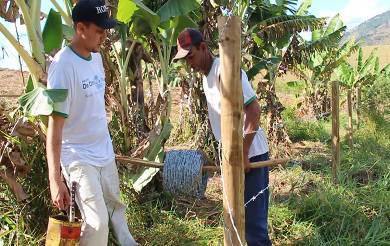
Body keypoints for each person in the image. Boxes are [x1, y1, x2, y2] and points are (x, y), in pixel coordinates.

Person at [46, 0, 137, 245]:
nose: (104, 36)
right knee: (97, 224)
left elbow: (94, 110)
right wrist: (56, 180)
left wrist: (107, 147)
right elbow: (54, 130)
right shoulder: (63, 67)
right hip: (78, 157)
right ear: (80, 29)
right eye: (99, 30)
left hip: (104, 152)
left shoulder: (96, 58)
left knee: (116, 210)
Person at [173, 28, 272, 246]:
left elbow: (254, 111)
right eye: (185, 60)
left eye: (191, 56)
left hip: (252, 156)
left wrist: (243, 153)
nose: (190, 63)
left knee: (254, 230)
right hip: (232, 158)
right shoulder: (205, 78)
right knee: (234, 221)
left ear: (203, 48)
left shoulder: (225, 71)